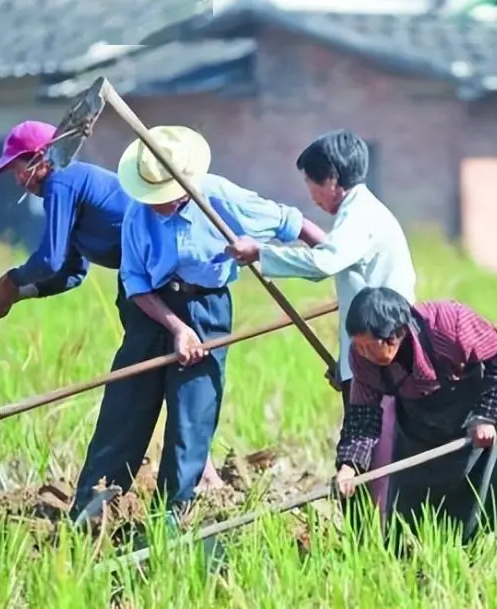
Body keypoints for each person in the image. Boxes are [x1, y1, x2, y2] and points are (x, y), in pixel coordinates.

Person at [69, 124, 325, 519]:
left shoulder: (219, 196)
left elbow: (289, 222)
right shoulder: (139, 213)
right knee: (126, 403)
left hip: (207, 308)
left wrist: (336, 259)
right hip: (152, 310)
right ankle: (92, 506)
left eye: (165, 197)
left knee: (193, 413)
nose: (158, 204)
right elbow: (135, 281)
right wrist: (176, 328)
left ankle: (173, 514)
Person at [0, 120, 228, 492]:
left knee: (150, 381)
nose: (19, 179)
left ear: (41, 158)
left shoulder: (61, 182)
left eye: (19, 168)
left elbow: (48, 260)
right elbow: (71, 272)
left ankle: (189, 476)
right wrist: (21, 295)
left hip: (158, 280)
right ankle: (194, 470)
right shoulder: (68, 188)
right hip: (142, 283)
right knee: (161, 377)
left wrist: (10, 282)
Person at [224, 130, 417, 517]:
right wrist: (345, 364)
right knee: (370, 445)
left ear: (331, 179)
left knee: (374, 448)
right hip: (371, 352)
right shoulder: (359, 212)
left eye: (311, 184)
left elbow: (324, 262)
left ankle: (377, 532)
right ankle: (369, 530)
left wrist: (260, 252)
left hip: (384, 354)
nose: (311, 195)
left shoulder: (361, 215)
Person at [333, 286, 497, 555]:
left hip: (492, 400)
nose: (362, 353)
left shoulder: (448, 324)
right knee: (416, 499)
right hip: (424, 420)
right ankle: (428, 559)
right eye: (358, 345)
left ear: (395, 334)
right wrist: (350, 465)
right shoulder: (362, 361)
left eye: (368, 345)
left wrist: (486, 415)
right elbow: (363, 415)